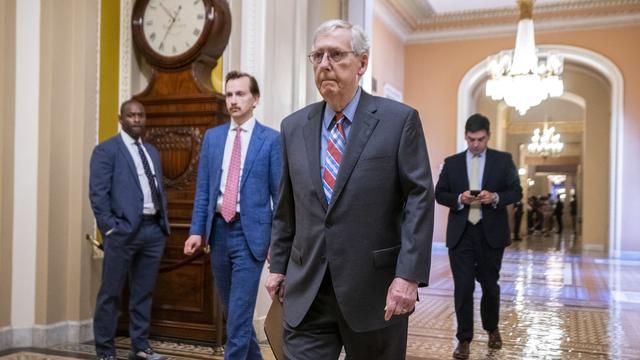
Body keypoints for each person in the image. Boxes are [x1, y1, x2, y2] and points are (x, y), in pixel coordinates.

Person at [265, 19, 435, 360]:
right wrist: (279, 265)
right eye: (317, 56)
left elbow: (419, 198)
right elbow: (288, 206)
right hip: (308, 288)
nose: (325, 64)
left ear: (362, 63)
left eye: (336, 54)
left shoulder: (398, 121)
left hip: (375, 293)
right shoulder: (294, 127)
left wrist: (408, 275)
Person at [184, 71, 281, 360]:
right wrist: (196, 230)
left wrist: (278, 243)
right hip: (218, 232)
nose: (234, 100)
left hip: (251, 237)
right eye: (229, 94)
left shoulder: (271, 140)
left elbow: (280, 197)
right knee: (234, 315)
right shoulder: (212, 138)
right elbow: (204, 190)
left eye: (240, 94)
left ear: (255, 99)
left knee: (238, 319)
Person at [434, 113, 522, 359]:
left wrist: (494, 197)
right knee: (462, 288)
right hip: (461, 234)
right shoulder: (452, 163)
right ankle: (464, 340)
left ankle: (492, 329)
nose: (475, 144)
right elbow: (439, 194)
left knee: (489, 286)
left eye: (480, 140)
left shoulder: (503, 161)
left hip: (490, 233)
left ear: (488, 137)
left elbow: (516, 191)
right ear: (465, 136)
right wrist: (459, 199)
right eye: (471, 139)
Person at [89, 99, 170, 360]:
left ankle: (140, 346)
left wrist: (161, 225)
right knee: (110, 294)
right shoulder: (106, 150)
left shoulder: (152, 152)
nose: (137, 119)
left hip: (153, 231)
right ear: (120, 118)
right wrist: (110, 229)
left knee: (143, 293)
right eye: (131, 115)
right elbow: (98, 195)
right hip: (123, 233)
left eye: (140, 115)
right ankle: (105, 351)